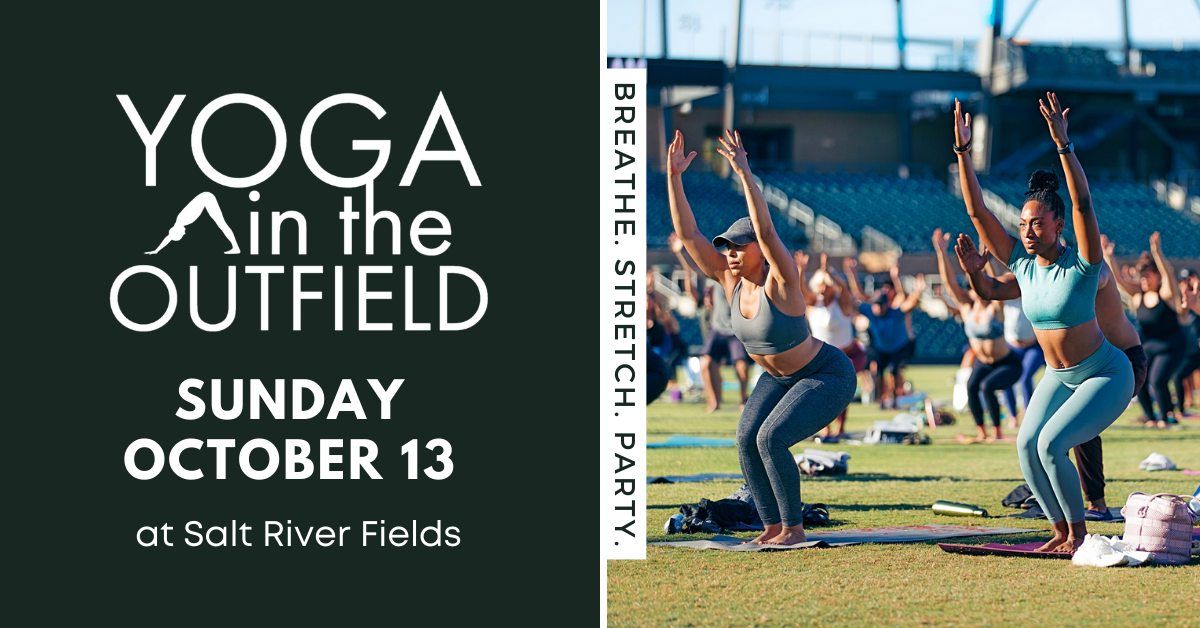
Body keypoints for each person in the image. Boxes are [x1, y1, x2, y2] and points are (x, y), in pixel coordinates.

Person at [954, 93, 1133, 552]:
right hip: (1059, 376)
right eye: (1023, 223)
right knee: (1026, 444)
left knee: (1052, 443)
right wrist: (962, 154)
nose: (1027, 230)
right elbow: (977, 213)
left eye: (1037, 223)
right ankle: (1059, 531)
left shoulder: (1083, 264)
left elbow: (1085, 205)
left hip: (1105, 373)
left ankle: (1079, 533)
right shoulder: (1022, 264)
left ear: (1058, 226)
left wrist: (1063, 146)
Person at [666, 129, 855, 546]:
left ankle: (793, 528)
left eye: (737, 246)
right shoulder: (727, 282)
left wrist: (744, 172)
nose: (729, 252)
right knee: (746, 440)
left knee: (771, 438)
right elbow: (690, 235)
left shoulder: (781, 282)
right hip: (777, 378)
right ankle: (770, 526)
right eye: (726, 247)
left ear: (758, 250)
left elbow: (768, 232)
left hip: (825, 374)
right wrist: (674, 178)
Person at [955, 232, 1147, 520]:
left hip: (1120, 364)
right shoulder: (1040, 275)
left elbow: (1094, 271)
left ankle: (1096, 504)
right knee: (1042, 435)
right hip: (1075, 368)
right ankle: (1059, 498)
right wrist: (974, 272)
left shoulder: (1088, 269)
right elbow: (990, 289)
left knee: (1079, 428)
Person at [931, 228, 1020, 442]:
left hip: (1006, 362)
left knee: (987, 387)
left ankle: (997, 432)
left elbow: (998, 279)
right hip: (982, 362)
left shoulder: (994, 308)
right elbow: (949, 283)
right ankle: (982, 430)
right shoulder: (967, 308)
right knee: (971, 387)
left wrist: (986, 259)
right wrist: (941, 252)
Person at [1107, 234, 1185, 428]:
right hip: (1148, 347)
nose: (1143, 281)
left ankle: (1166, 417)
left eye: (1148, 276)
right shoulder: (1137, 297)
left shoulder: (1165, 294)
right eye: (1141, 278)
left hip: (1170, 347)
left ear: (1156, 276)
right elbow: (1118, 281)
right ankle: (1151, 417)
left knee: (1158, 380)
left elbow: (1168, 276)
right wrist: (1110, 257)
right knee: (1137, 381)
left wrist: (1157, 253)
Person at [796, 251, 868, 440]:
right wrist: (801, 270)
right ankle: (826, 428)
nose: (822, 288)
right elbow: (801, 291)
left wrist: (830, 272)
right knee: (823, 394)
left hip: (848, 355)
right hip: (823, 357)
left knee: (841, 391)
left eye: (825, 285)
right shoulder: (813, 304)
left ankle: (840, 428)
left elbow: (844, 289)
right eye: (820, 284)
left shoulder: (841, 303)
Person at [843, 258, 923, 409]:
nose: (878, 308)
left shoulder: (895, 312)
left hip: (898, 347)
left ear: (886, 305)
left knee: (893, 371)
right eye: (876, 305)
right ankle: (880, 398)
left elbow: (909, 303)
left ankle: (893, 399)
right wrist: (852, 275)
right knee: (877, 371)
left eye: (881, 306)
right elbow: (859, 295)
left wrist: (918, 291)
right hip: (881, 348)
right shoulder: (870, 311)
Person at [147, 191, 241, 254]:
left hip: (207, 198)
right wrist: (156, 250)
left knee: (222, 224)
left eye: (181, 234)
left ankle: (236, 248)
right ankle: (235, 247)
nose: (184, 233)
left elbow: (198, 206)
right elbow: (168, 238)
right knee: (221, 224)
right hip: (206, 199)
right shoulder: (179, 222)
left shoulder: (184, 219)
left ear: (178, 231)